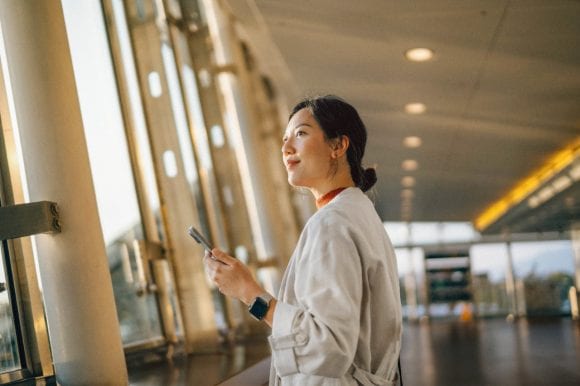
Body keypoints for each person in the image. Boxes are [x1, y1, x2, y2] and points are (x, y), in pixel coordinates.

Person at [203, 95, 403, 385]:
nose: (285, 148)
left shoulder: (332, 223)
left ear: (338, 145)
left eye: (300, 134)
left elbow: (328, 346)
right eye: (284, 139)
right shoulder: (360, 215)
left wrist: (249, 292)